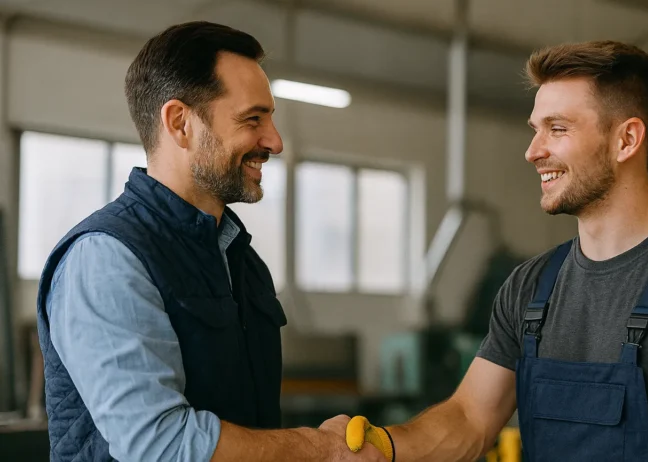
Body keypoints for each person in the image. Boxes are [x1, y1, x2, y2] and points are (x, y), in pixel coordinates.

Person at [327, 40, 648, 461]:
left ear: (626, 139)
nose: (533, 150)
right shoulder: (530, 286)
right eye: (536, 129)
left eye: (557, 129)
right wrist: (387, 448)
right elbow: (470, 418)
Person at [35, 21, 385, 462]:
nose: (274, 142)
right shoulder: (107, 257)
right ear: (180, 123)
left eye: (271, 119)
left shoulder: (240, 258)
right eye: (252, 119)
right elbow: (158, 445)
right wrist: (322, 449)